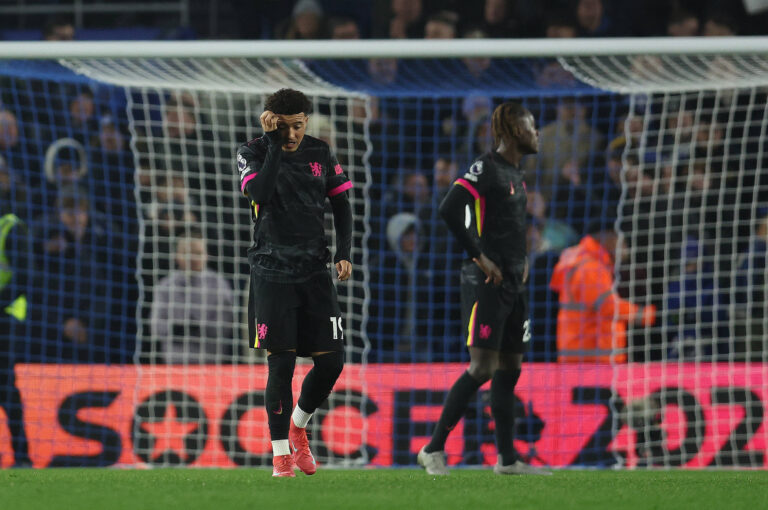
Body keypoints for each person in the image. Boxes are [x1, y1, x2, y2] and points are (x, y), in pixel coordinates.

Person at [417, 102, 551, 476]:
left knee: (510, 366)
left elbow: (509, 226)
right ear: (514, 132)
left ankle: (507, 460)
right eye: (532, 126)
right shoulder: (486, 167)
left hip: (513, 283)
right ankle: (432, 449)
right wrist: (479, 256)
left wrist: (521, 261)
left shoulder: (516, 173)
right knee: (482, 367)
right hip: (486, 283)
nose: (537, 133)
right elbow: (449, 207)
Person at [236, 88, 353, 477]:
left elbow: (341, 205)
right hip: (272, 272)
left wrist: (343, 252)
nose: (291, 135)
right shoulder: (252, 152)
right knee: (281, 364)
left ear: (307, 121)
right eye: (283, 127)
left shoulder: (320, 152)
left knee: (332, 362)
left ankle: (299, 425)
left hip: (315, 271)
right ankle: (280, 455)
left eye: (297, 126)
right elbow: (260, 192)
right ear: (270, 122)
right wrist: (272, 144)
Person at [549, 220, 656, 363]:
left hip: (584, 354)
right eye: (621, 240)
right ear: (607, 238)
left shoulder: (582, 261)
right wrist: (647, 315)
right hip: (590, 358)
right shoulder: (591, 267)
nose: (625, 247)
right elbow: (608, 307)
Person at [150, 233, 235, 364]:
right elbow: (155, 325)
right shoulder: (165, 285)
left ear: (206, 255)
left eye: (198, 253)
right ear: (177, 255)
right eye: (187, 253)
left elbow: (226, 327)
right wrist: (175, 329)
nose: (192, 258)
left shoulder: (219, 285)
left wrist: (199, 329)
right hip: (174, 362)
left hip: (211, 362)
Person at [0, 212, 33, 467]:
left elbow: (25, 277)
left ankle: (22, 455)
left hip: (5, 318)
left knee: (5, 387)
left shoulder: (10, 228)